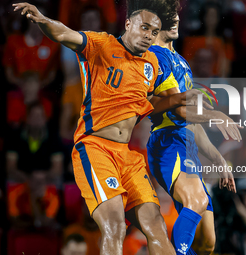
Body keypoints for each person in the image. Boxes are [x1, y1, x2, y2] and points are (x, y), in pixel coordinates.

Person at [13, 1, 184, 254]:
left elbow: (159, 101)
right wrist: (42, 19)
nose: (149, 35)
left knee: (156, 225)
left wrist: (192, 103)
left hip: (128, 155)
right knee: (115, 226)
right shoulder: (102, 44)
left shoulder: (152, 64)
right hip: (95, 149)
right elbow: (63, 33)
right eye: (144, 27)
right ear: (128, 24)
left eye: (154, 31)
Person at [147, 15, 241, 255]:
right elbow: (179, 111)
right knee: (196, 202)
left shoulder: (181, 62)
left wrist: (219, 159)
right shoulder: (156, 57)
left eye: (178, 15)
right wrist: (214, 115)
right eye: (170, 16)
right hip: (168, 141)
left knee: (207, 243)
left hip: (186, 144)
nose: (177, 19)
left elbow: (193, 124)